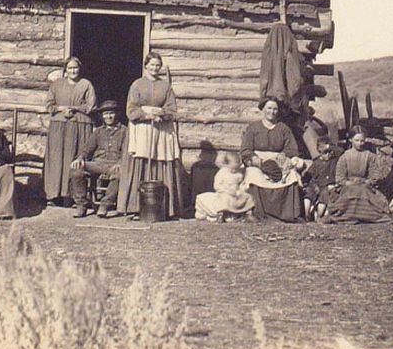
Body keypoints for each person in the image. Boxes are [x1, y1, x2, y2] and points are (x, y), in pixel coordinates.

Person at [116, 52, 187, 218]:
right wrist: (147, 115)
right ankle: (135, 207)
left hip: (161, 129)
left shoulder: (166, 86)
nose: (155, 68)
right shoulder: (137, 85)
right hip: (142, 128)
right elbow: (131, 110)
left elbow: (172, 110)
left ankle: (164, 208)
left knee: (162, 162)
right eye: (152, 65)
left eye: (158, 65)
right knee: (140, 162)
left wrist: (162, 114)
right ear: (145, 65)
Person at [240, 97, 309, 222]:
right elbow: (245, 150)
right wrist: (254, 158)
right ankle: (258, 213)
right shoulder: (253, 128)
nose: (272, 112)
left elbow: (292, 149)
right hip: (259, 163)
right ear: (263, 109)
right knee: (253, 176)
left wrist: (284, 155)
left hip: (279, 163)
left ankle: (289, 214)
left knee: (292, 175)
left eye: (275, 109)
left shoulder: (283, 128)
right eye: (269, 108)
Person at [44, 56, 97, 206]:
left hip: (80, 125)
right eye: (70, 68)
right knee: (56, 158)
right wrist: (61, 109)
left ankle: (72, 196)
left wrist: (74, 109)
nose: (73, 71)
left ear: (80, 69)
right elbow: (49, 105)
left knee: (73, 158)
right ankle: (54, 195)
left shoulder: (86, 84)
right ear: (65, 70)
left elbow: (91, 106)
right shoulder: (57, 84)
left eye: (75, 68)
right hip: (59, 126)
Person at [320, 127, 393, 223]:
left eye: (362, 141)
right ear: (351, 140)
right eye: (357, 140)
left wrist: (366, 181)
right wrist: (349, 183)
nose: (360, 143)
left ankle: (364, 215)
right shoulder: (344, 157)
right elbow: (339, 178)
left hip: (364, 186)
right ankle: (348, 214)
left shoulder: (369, 156)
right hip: (348, 186)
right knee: (349, 194)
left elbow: (374, 175)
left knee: (364, 193)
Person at [68, 101, 126, 218]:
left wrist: (120, 163)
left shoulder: (125, 131)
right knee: (76, 169)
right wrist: (80, 158)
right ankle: (81, 205)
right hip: (97, 163)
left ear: (117, 114)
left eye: (111, 113)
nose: (108, 117)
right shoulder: (98, 131)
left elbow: (126, 152)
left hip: (114, 165)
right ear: (102, 116)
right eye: (105, 114)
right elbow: (87, 149)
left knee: (120, 174)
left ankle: (105, 205)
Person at [194, 150, 254, 222]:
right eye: (232, 169)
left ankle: (248, 214)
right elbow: (217, 185)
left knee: (248, 197)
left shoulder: (239, 174)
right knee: (224, 199)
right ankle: (221, 214)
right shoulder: (222, 173)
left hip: (236, 193)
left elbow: (241, 184)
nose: (234, 170)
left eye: (236, 168)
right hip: (225, 192)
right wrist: (226, 190)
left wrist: (241, 189)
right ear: (226, 164)